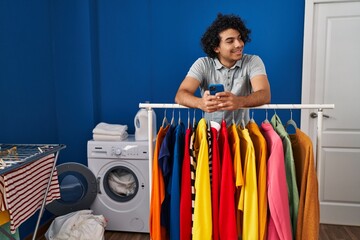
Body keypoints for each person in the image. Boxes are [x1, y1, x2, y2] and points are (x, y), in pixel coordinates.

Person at [175, 13, 271, 125]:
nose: (239, 44)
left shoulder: (253, 61)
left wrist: (239, 101)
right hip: (209, 136)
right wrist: (200, 103)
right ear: (216, 48)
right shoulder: (202, 64)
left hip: (242, 137)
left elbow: (265, 94)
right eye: (230, 41)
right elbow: (180, 95)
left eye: (239, 38)